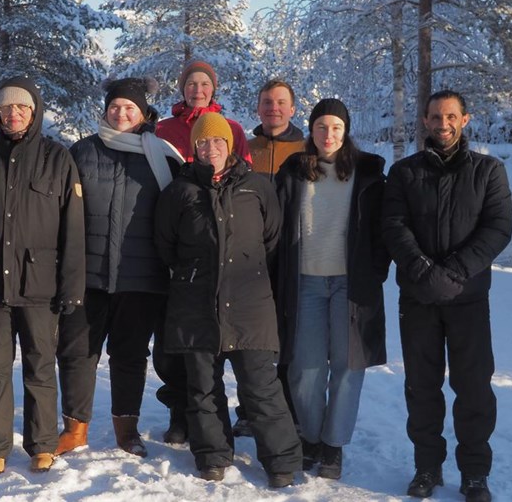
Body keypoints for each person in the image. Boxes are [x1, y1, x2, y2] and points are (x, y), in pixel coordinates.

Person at [154, 112, 301, 487]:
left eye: (218, 141)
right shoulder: (180, 191)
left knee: (261, 385)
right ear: (194, 147)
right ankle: (213, 454)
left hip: (249, 301)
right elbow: (166, 245)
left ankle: (282, 461)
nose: (211, 148)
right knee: (203, 386)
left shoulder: (256, 187)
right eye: (203, 142)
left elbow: (271, 238)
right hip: (195, 301)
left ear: (231, 145)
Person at [382, 90, 512, 502]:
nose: (443, 124)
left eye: (451, 116)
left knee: (473, 388)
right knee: (422, 387)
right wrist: (422, 271)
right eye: (436, 117)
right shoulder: (404, 173)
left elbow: (497, 228)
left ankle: (474, 473)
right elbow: (393, 225)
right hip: (417, 299)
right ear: (424, 121)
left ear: (465, 119)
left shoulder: (488, 171)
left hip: (469, 299)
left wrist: (454, 271)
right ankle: (427, 467)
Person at [57, 77, 185, 458]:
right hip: (89, 275)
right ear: (105, 110)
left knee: (129, 356)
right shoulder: (81, 152)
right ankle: (74, 429)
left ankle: (126, 431)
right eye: (115, 106)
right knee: (79, 352)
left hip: (142, 278)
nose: (121, 113)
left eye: (130, 107)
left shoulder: (162, 156)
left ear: (143, 113)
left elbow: (180, 212)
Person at [0, 76, 85, 475]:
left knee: (40, 368)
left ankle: (42, 443)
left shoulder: (58, 158)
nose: (14, 113)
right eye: (6, 107)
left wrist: (72, 285)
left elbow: (73, 227)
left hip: (41, 287)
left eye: (21, 107)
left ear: (34, 112)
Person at [274, 98, 389, 480]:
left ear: (346, 130)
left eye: (336, 127)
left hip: (350, 284)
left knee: (347, 366)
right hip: (304, 282)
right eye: (321, 126)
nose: (328, 134)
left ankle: (333, 445)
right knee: (303, 368)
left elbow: (382, 229)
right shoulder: (293, 170)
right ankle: (309, 436)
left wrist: (376, 270)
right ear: (310, 130)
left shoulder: (367, 171)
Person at [153, 59, 250, 443]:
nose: (197, 89)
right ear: (182, 88)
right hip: (177, 245)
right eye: (191, 83)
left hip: (222, 253)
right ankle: (181, 412)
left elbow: (243, 184)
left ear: (214, 88)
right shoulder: (163, 130)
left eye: (204, 83)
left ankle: (225, 415)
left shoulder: (233, 130)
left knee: (223, 341)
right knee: (174, 342)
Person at [235, 78, 305, 439]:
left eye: (280, 102)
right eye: (266, 102)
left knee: (289, 335)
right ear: (257, 108)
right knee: (253, 335)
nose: (273, 108)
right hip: (252, 256)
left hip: (293, 255)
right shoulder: (244, 148)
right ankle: (248, 409)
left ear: (293, 109)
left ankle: (289, 408)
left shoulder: (306, 149)